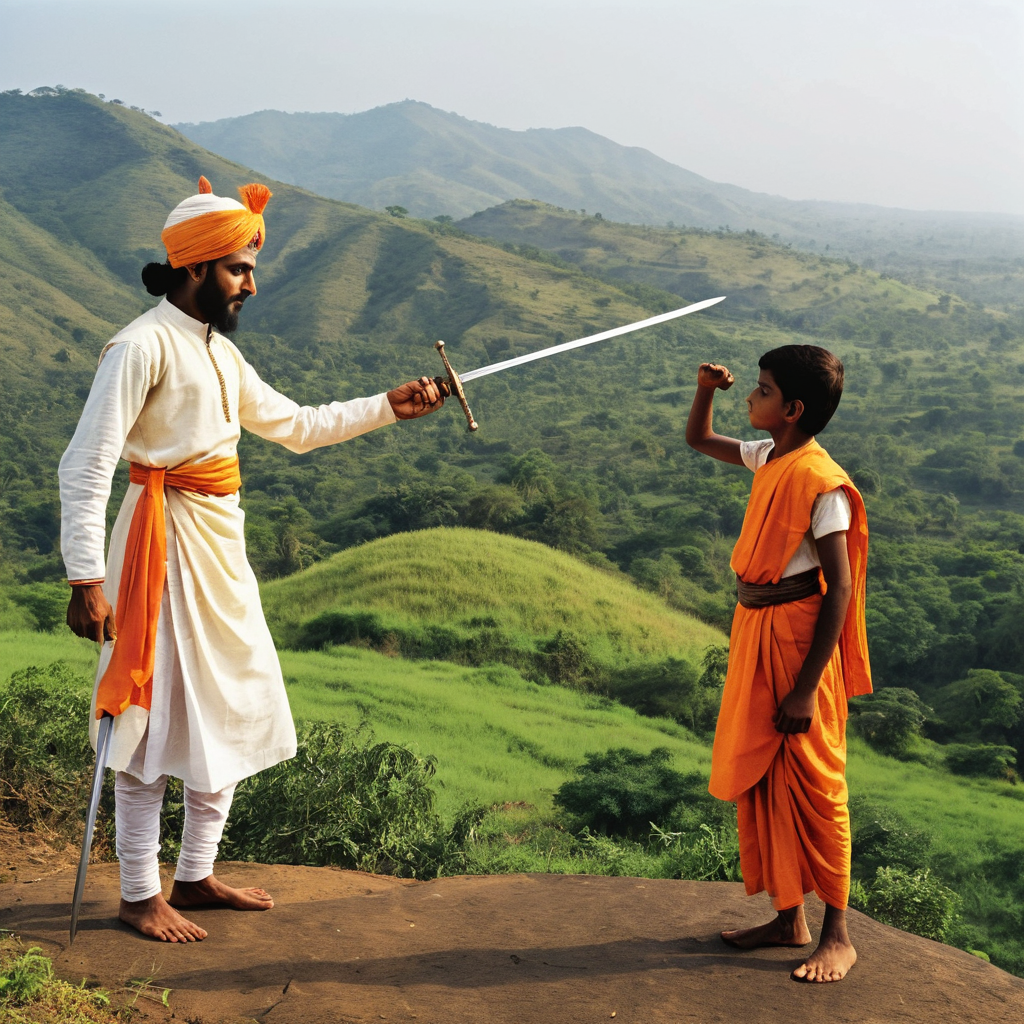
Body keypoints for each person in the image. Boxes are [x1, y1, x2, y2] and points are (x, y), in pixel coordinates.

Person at [60, 176, 446, 943]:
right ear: (196, 267)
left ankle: (195, 875)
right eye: (239, 268)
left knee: (235, 703)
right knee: (150, 716)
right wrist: (84, 578)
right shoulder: (141, 345)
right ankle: (140, 893)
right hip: (156, 551)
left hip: (219, 552)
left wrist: (387, 407)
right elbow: (86, 463)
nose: (251, 284)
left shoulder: (219, 355)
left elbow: (297, 426)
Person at [685, 344, 871, 983]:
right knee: (765, 776)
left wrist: (806, 687)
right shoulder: (770, 455)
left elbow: (839, 589)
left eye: (759, 391)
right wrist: (705, 387)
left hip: (797, 643)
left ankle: (838, 934)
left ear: (791, 409)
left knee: (816, 781)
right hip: (755, 629)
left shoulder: (824, 487)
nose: (750, 398)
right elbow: (700, 437)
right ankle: (788, 916)